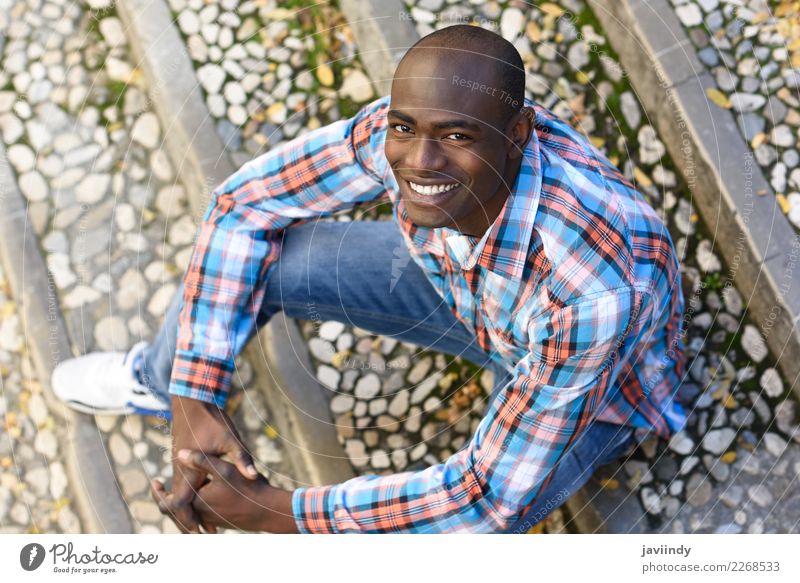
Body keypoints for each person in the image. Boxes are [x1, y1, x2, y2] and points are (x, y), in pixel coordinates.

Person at [52, 24, 687, 534]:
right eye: (404, 129)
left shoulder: (592, 290)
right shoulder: (410, 126)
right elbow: (242, 205)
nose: (420, 160)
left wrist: (280, 512)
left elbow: (483, 498)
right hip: (476, 303)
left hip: (598, 388)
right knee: (278, 256)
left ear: (517, 134)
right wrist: (195, 389)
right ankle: (160, 383)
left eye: (455, 137)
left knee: (473, 533)